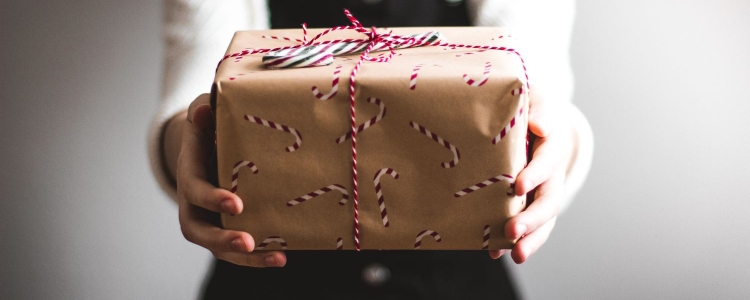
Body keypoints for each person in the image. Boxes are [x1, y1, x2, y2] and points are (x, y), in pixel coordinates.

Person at [148, 0, 593, 298]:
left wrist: (557, 146)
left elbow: (532, 81)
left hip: (460, 281)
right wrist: (189, 152)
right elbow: (199, 80)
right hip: (264, 276)